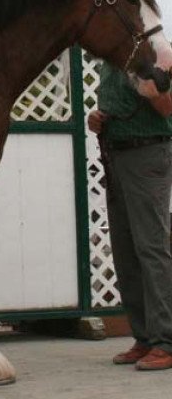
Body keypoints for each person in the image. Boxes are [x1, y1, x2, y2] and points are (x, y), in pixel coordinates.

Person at [88, 61, 172, 370]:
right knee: (124, 250)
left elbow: (166, 109)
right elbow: (111, 112)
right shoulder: (107, 66)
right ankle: (145, 337)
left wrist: (150, 87)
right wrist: (96, 120)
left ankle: (166, 341)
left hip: (148, 154)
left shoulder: (154, 62)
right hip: (116, 155)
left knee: (151, 248)